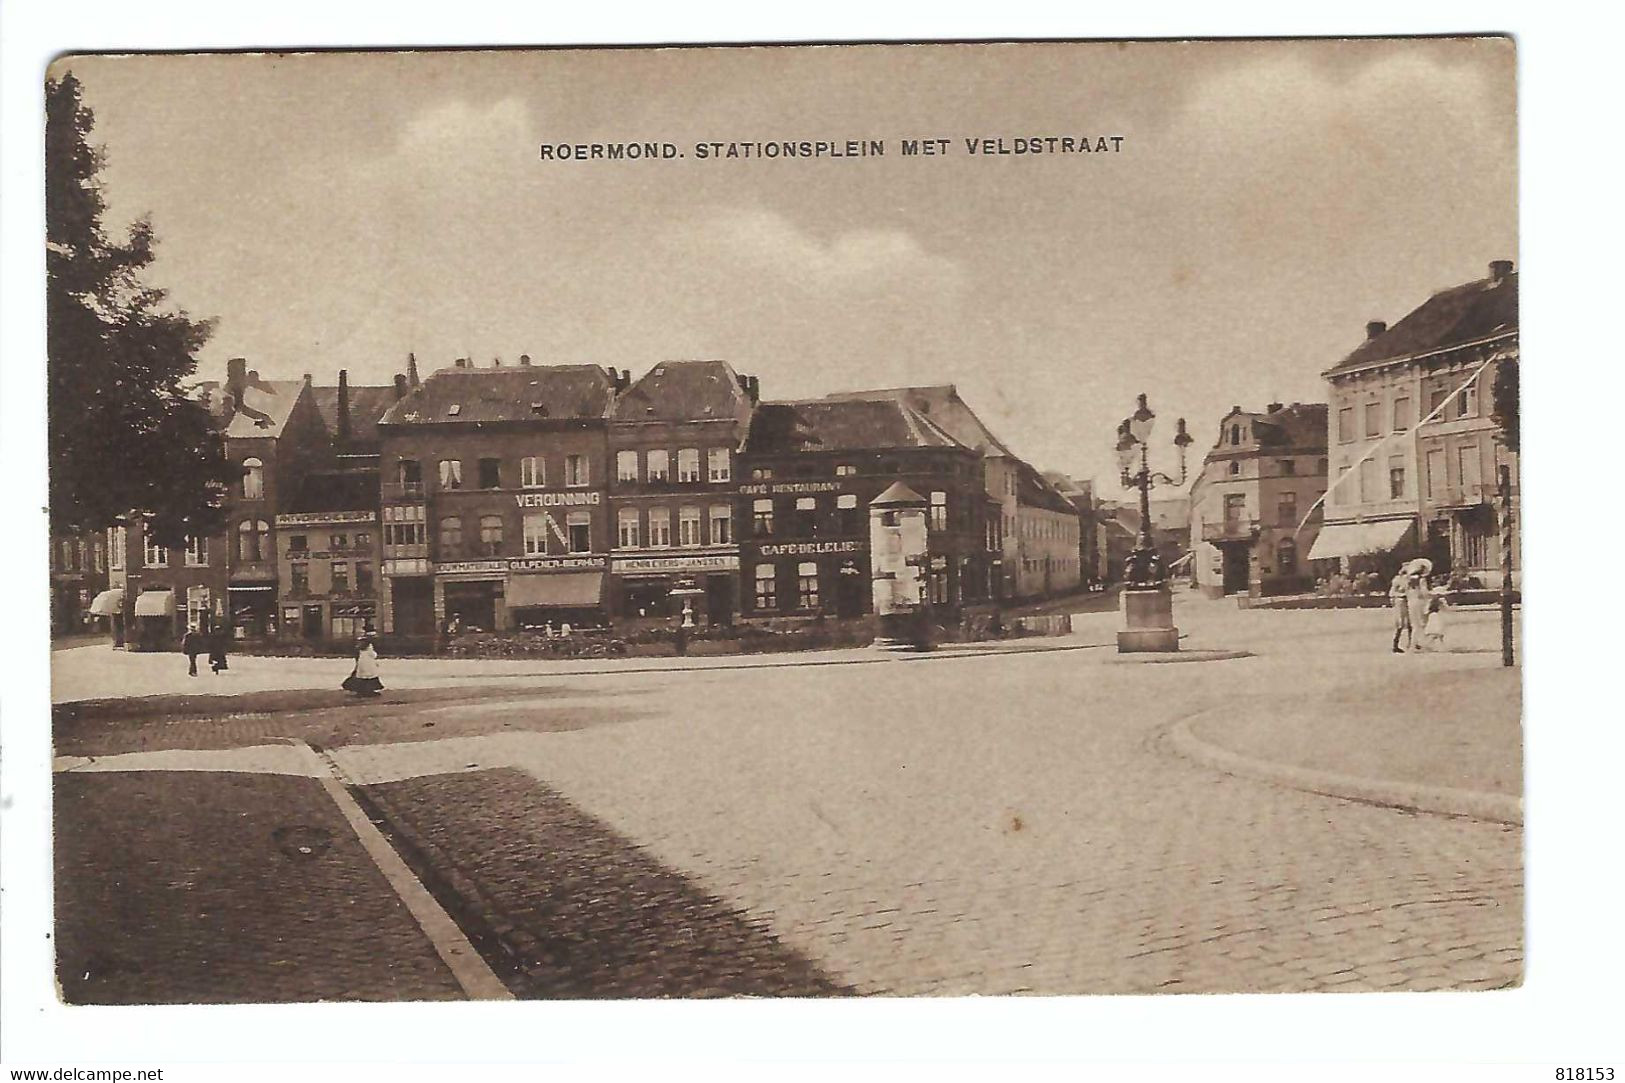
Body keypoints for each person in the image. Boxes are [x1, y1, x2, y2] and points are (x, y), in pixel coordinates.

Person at [1388, 569, 1412, 653]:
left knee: (1411, 623)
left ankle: (1411, 643)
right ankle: (1395, 645)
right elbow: (1392, 593)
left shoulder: (1409, 580)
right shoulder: (1397, 580)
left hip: (1408, 601)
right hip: (1400, 601)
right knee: (1400, 624)